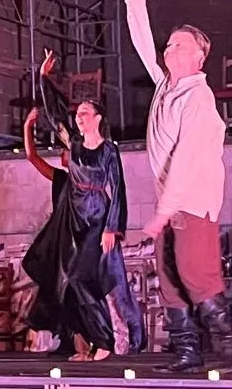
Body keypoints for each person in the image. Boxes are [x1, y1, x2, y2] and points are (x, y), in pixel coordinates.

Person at [117, 0, 232, 371]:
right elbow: (143, 42)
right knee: (170, 278)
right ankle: (188, 353)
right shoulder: (166, 87)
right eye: (169, 44)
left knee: (196, 274)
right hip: (171, 202)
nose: (168, 49)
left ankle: (230, 346)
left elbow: (188, 159)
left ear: (198, 57)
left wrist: (163, 212)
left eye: (178, 45)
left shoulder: (198, 99)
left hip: (191, 201)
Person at [21, 51, 145, 361]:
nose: (79, 117)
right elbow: (56, 116)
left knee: (83, 279)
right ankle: (87, 342)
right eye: (79, 113)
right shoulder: (73, 144)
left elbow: (118, 188)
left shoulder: (108, 150)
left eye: (86, 113)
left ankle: (104, 341)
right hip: (73, 218)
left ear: (98, 118)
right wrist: (44, 78)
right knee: (68, 283)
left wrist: (112, 227)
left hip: (96, 218)